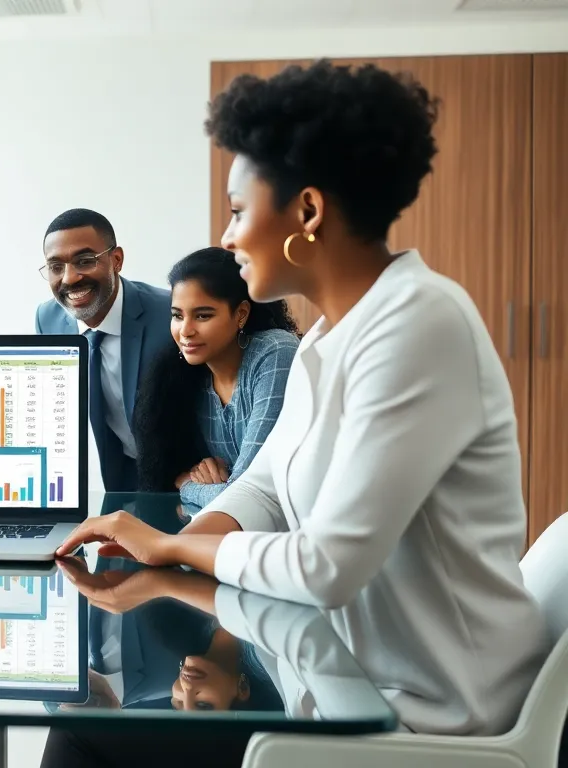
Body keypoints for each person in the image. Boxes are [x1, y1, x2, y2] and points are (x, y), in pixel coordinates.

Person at [55, 59, 551, 759]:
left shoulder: (419, 323)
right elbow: (264, 487)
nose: (226, 238)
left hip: (430, 717)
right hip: (347, 677)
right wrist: (164, 549)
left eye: (236, 210)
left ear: (308, 213)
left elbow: (327, 567)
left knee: (85, 732)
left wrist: (169, 545)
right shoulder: (327, 337)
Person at [133, 247, 298, 507]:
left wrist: (184, 482)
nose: (185, 330)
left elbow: (245, 495)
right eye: (177, 315)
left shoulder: (275, 352)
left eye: (203, 315)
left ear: (241, 314)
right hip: (238, 532)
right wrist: (200, 475)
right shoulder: (187, 379)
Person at [33, 209, 174, 491]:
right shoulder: (47, 319)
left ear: (116, 260)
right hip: (116, 477)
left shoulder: (171, 315)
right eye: (56, 267)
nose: (70, 278)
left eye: (85, 261)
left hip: (185, 477)